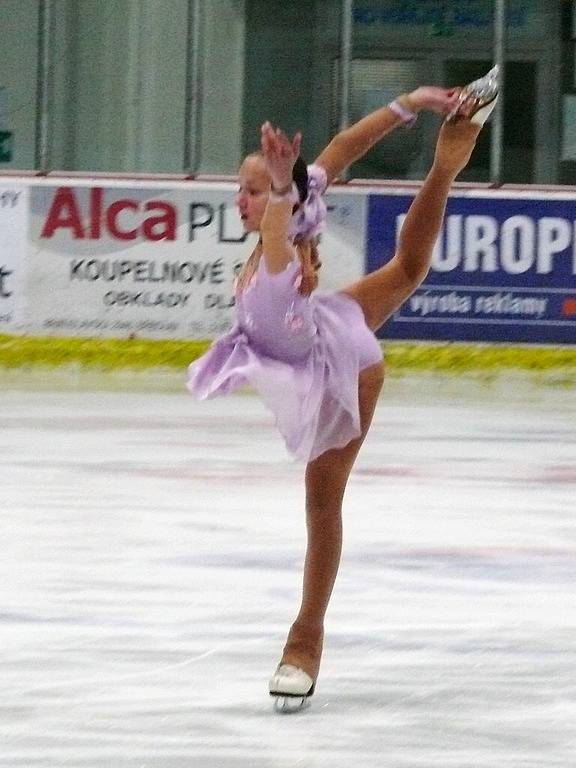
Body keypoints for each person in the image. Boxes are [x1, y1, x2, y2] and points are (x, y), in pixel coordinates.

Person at [188, 71, 498, 711]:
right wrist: (410, 102)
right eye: (241, 188)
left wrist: (276, 190)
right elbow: (344, 147)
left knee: (321, 506)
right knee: (408, 269)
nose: (239, 200)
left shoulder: (281, 264)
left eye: (250, 190)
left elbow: (278, 237)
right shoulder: (298, 207)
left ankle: (305, 640)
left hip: (337, 372)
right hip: (319, 331)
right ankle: (450, 159)